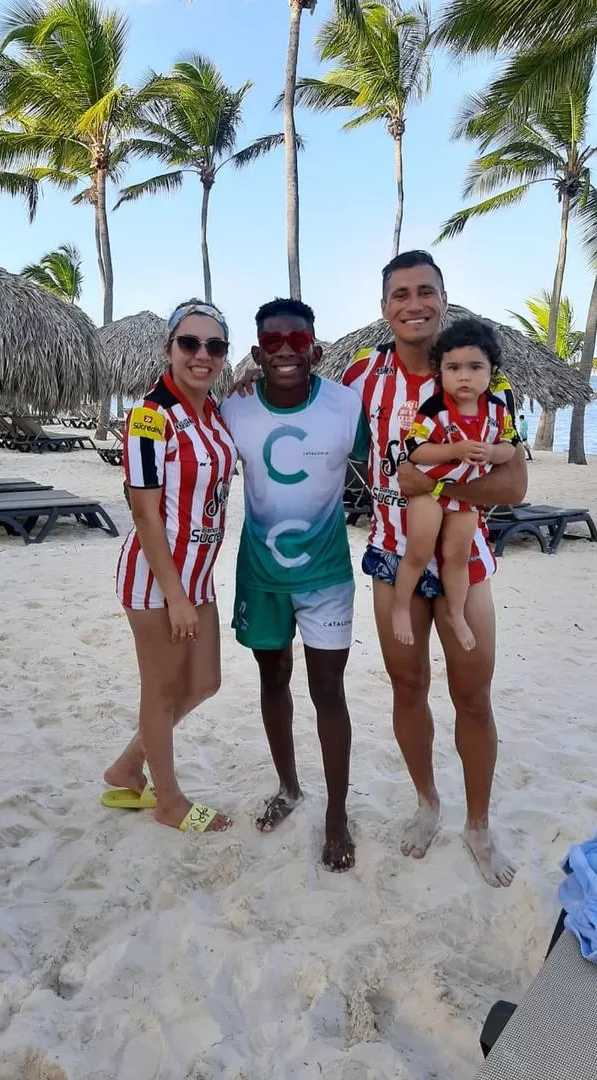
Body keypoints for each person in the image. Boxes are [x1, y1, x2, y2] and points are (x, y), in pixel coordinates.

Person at [342, 250, 527, 887]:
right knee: (407, 688)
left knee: (473, 696)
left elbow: (515, 484)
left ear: (444, 300)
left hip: (465, 561)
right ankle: (427, 802)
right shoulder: (363, 374)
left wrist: (427, 479)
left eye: (426, 291)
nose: (413, 304)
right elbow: (311, 424)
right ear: (384, 307)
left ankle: (478, 824)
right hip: (393, 556)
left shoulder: (477, 374)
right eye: (400, 294)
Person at [220, 299, 365, 872]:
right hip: (260, 573)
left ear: (317, 350)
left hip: (327, 573)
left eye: (296, 340)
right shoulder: (233, 410)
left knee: (328, 692)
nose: (285, 350)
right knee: (272, 677)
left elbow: (394, 467)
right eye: (272, 342)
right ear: (256, 353)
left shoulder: (346, 406)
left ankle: (336, 814)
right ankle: (288, 787)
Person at [102, 300, 237, 834]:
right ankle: (168, 801)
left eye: (215, 346)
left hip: (197, 576)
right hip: (157, 579)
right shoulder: (149, 417)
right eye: (190, 343)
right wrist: (174, 595)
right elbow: (143, 510)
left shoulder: (212, 411)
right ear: (168, 348)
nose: (202, 355)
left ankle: (128, 765)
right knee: (159, 692)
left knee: (205, 682)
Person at [392, 319, 517, 651]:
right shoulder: (434, 409)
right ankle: (401, 607)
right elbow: (416, 450)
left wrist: (492, 451)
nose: (465, 376)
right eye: (454, 367)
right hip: (428, 493)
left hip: (465, 498)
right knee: (418, 551)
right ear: (441, 372)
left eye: (476, 367)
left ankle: (456, 614)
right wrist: (455, 450)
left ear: (491, 371)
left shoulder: (497, 410)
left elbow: (510, 447)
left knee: (457, 557)